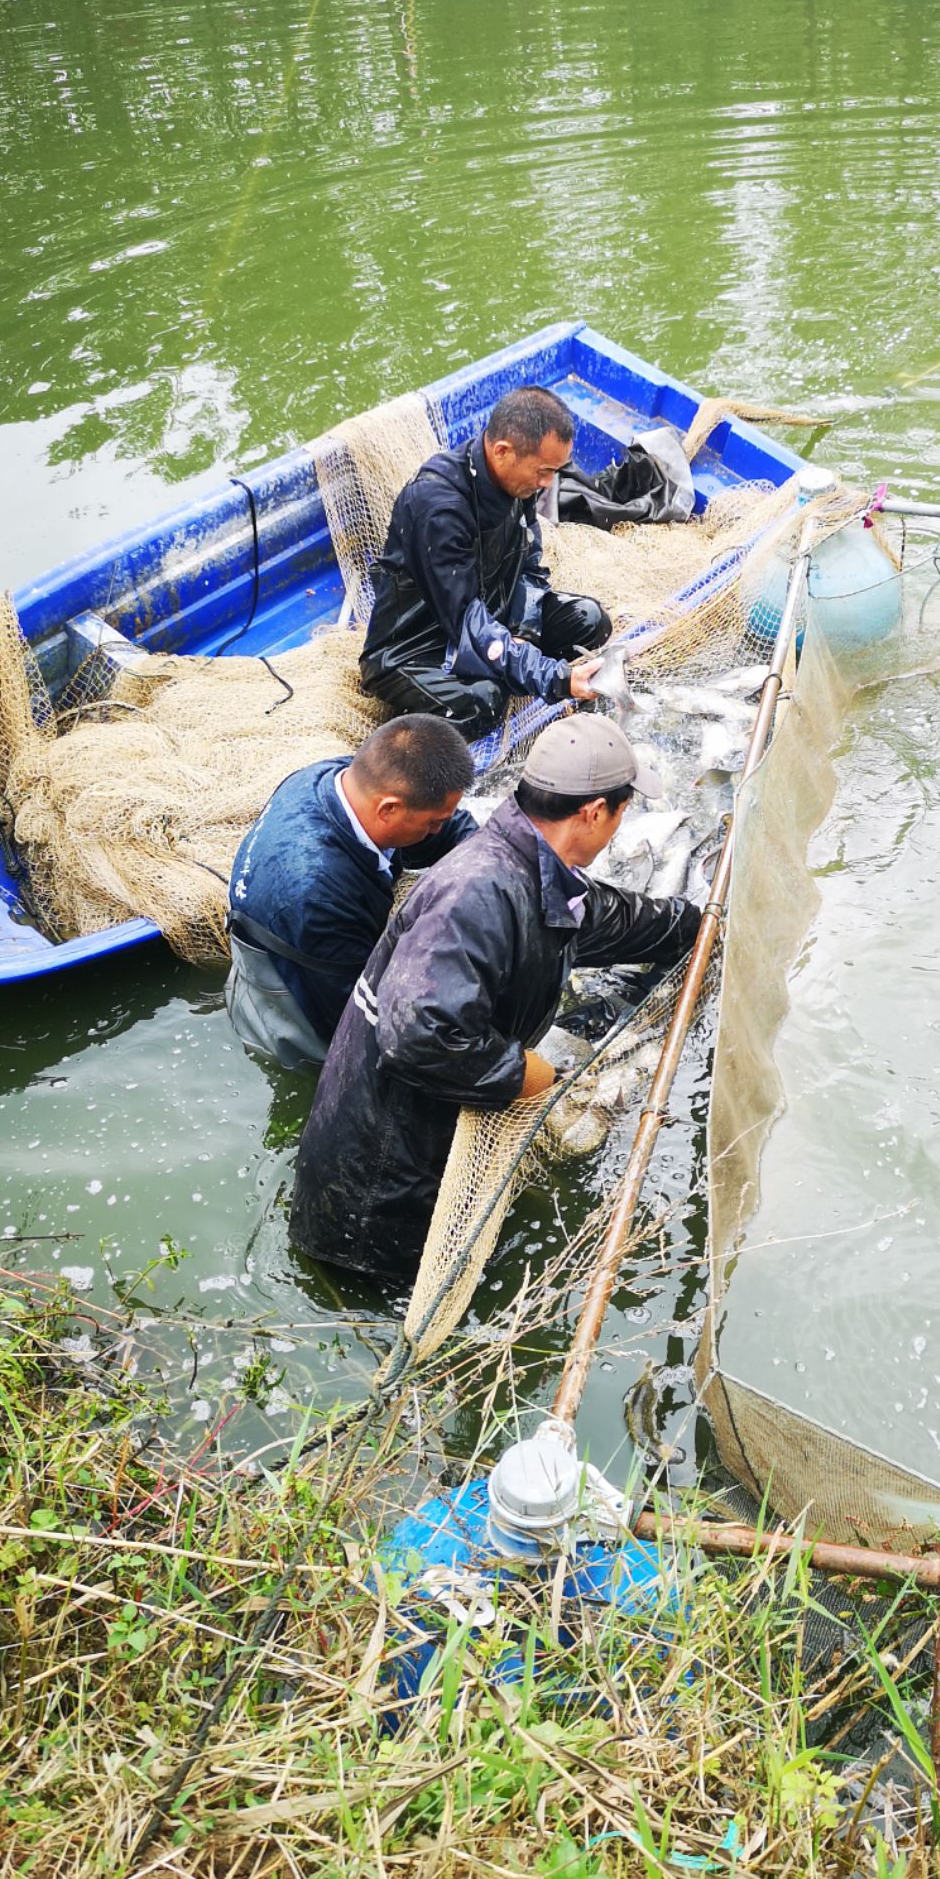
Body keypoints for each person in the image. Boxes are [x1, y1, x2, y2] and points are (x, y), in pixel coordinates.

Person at [290, 716, 701, 1284]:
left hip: (418, 1147)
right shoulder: (476, 892)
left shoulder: (528, 865)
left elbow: (595, 919)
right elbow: (416, 1036)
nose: (619, 823)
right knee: (392, 1310)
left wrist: (695, 926)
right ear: (592, 813)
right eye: (622, 810)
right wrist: (520, 1072)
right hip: (374, 1200)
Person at [225, 714, 477, 1071]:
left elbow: (447, 829)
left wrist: (482, 860)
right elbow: (364, 1013)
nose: (440, 829)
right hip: (295, 1017)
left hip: (305, 937)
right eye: (434, 822)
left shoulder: (346, 776)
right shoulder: (318, 893)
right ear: (388, 809)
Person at [359, 383, 611, 739]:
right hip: (417, 648)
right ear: (503, 451)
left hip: (494, 614)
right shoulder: (437, 507)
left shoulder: (519, 484)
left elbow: (530, 566)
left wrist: (524, 633)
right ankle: (457, 692)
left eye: (555, 471)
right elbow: (465, 622)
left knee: (590, 619)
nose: (548, 483)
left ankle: (504, 664)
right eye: (542, 472)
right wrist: (555, 677)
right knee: (485, 703)